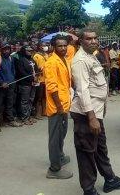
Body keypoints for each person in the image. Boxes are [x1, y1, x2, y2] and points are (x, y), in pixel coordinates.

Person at [70, 30, 120, 195]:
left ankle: (109, 179)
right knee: (87, 152)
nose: (93, 41)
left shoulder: (91, 56)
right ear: (81, 41)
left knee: (100, 148)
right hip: (86, 115)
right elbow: (82, 90)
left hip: (96, 112)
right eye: (89, 38)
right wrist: (91, 118)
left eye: (95, 38)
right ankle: (88, 189)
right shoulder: (80, 60)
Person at [43, 35, 74, 179]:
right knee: (55, 137)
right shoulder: (51, 62)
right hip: (56, 107)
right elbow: (52, 87)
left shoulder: (65, 60)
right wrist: (60, 107)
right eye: (59, 46)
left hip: (64, 104)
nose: (63, 48)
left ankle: (60, 156)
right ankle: (54, 169)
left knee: (62, 133)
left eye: (64, 45)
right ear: (54, 47)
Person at [14, 45, 36, 125]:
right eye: (28, 50)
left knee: (31, 100)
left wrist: (36, 77)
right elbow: (21, 72)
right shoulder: (21, 60)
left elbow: (35, 69)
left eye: (31, 50)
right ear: (24, 51)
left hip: (33, 84)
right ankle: (24, 118)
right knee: (24, 101)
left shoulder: (32, 59)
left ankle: (29, 116)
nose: (30, 51)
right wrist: (32, 79)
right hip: (24, 84)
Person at [33, 42, 49, 119]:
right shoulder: (36, 56)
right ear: (39, 47)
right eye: (43, 45)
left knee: (45, 97)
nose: (45, 46)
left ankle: (44, 111)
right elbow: (34, 68)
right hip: (40, 79)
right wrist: (39, 70)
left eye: (45, 45)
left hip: (46, 79)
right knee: (39, 97)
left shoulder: (46, 55)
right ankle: (37, 114)